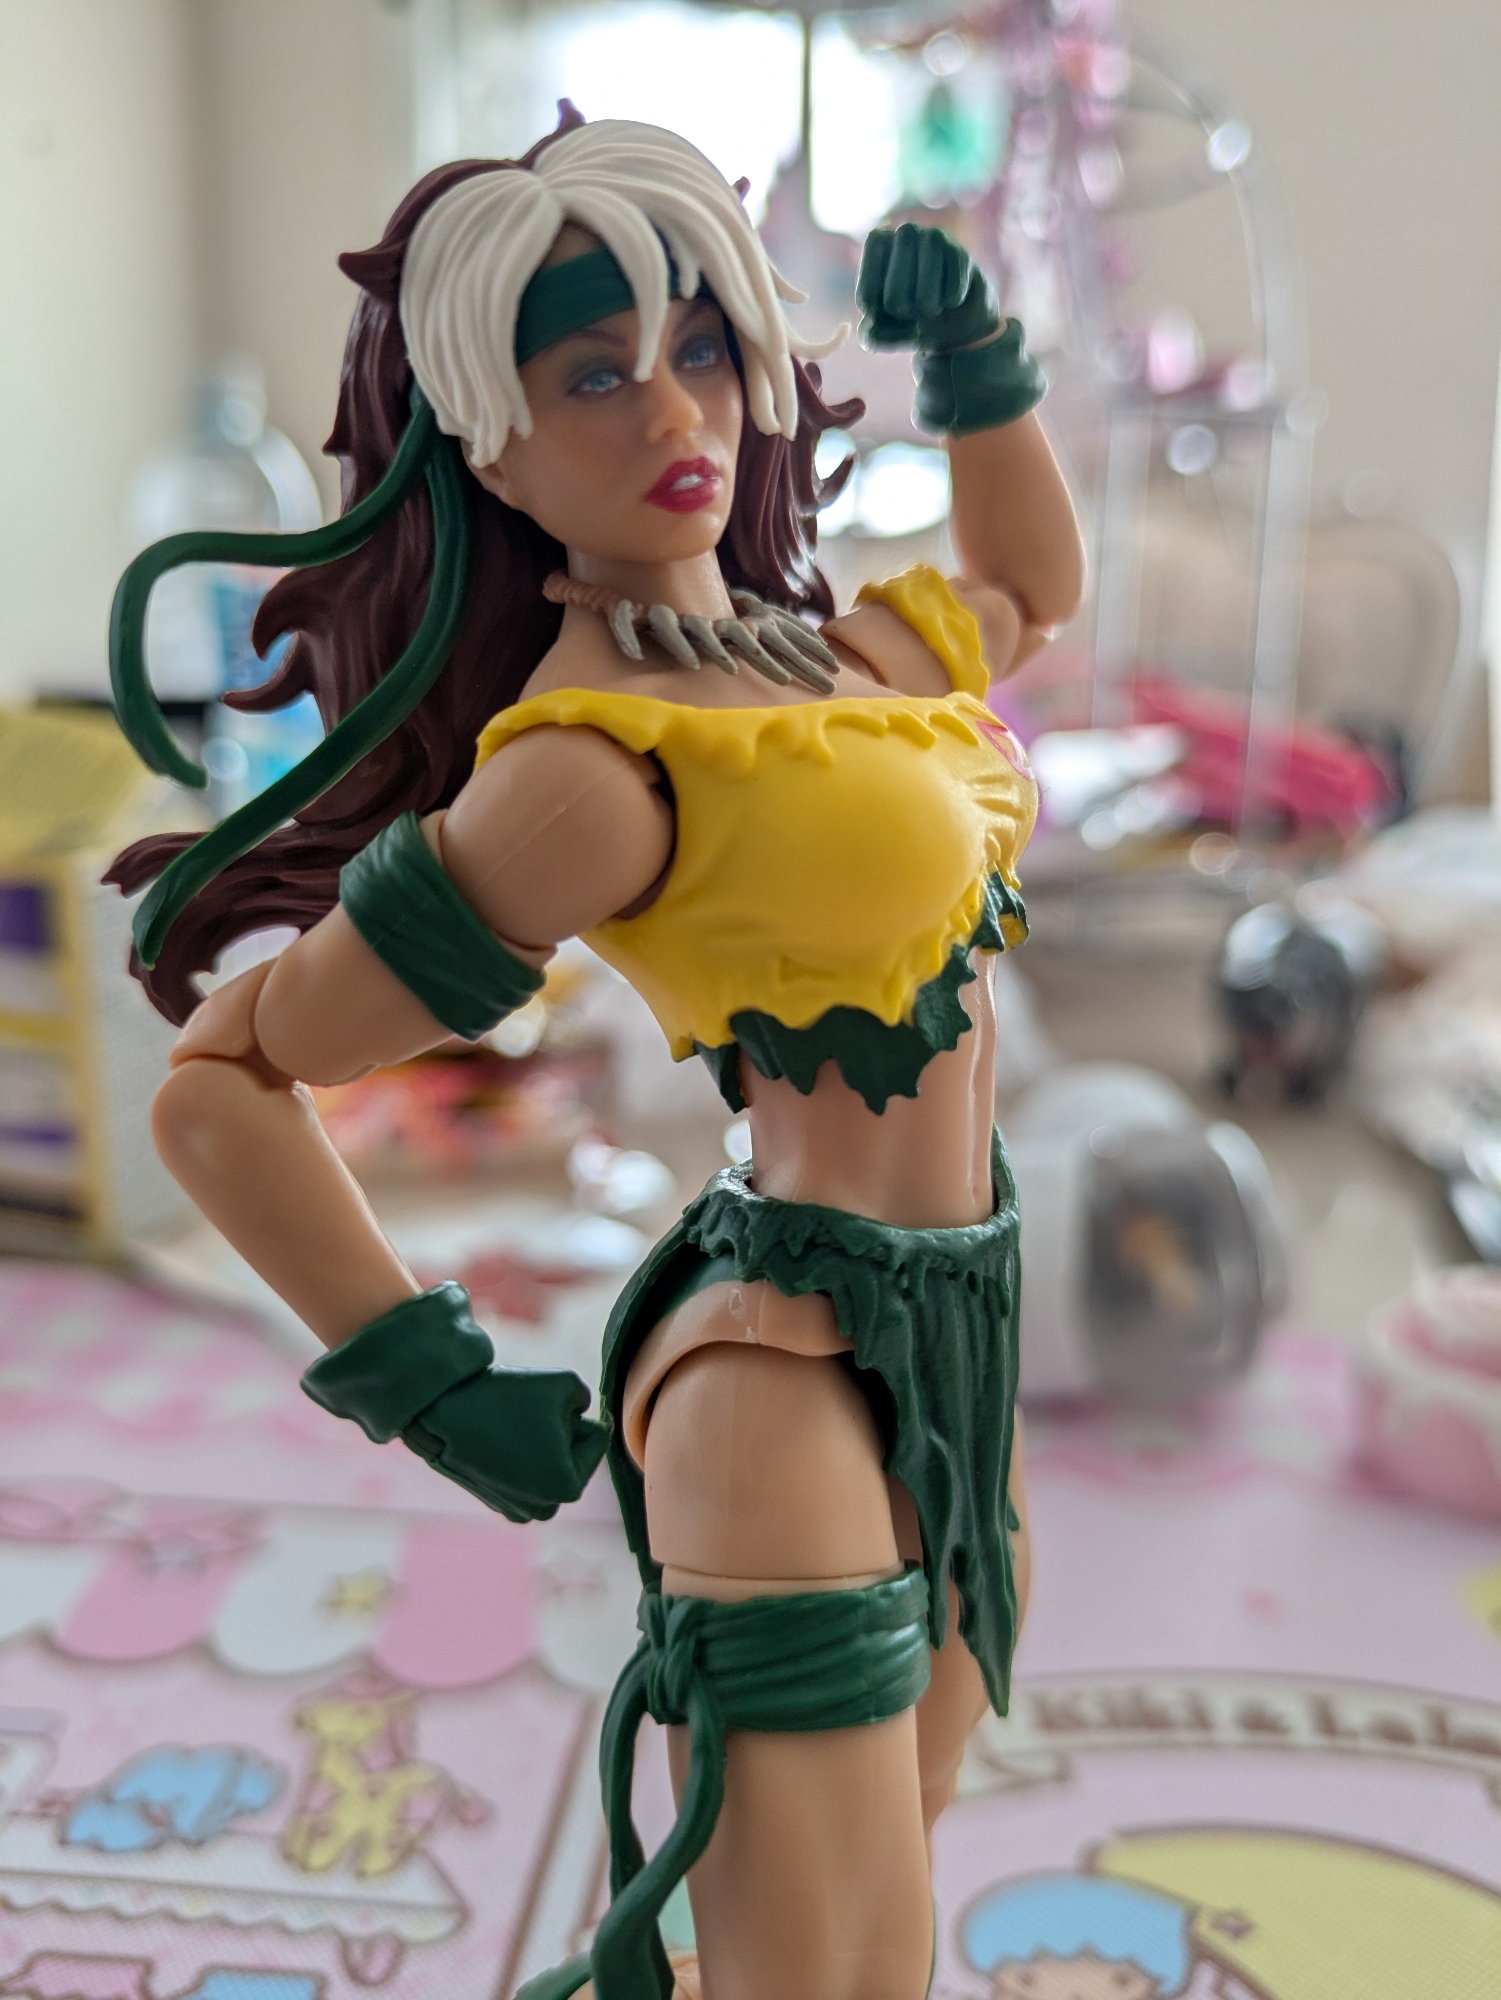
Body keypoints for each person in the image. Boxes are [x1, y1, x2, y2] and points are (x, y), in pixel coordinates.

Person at [108, 108, 1084, 2000]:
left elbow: (1025, 596)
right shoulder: (589, 772)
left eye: (701, 347)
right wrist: (420, 1375)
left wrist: (979, 371)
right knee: (838, 1966)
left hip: (960, 1335)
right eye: (593, 374)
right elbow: (221, 1080)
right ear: (490, 439)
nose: (671, 413)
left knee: (884, 1873)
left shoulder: (817, 662)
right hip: (780, 1381)